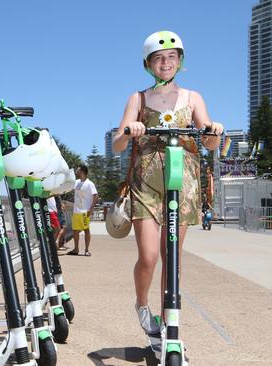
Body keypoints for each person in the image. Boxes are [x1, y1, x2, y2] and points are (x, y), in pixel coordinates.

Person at [112, 30, 223, 336]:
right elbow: (117, 145)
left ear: (180, 61)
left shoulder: (193, 98)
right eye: (159, 58)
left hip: (183, 181)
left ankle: (166, 320)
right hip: (146, 183)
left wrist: (214, 129)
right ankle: (141, 304)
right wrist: (130, 130)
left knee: (170, 254)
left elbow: (210, 142)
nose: (166, 62)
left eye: (172, 57)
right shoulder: (138, 98)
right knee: (148, 256)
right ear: (149, 63)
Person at [67, 165, 98, 256]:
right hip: (76, 210)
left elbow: (95, 196)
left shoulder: (89, 183)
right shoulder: (76, 182)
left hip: (85, 211)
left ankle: (87, 250)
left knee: (86, 229)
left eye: (78, 170)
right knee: (75, 230)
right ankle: (76, 249)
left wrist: (91, 209)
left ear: (82, 172)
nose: (76, 172)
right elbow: (67, 187)